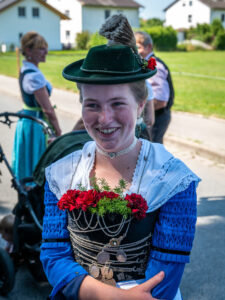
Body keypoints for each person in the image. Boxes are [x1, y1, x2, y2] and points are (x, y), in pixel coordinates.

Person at [40, 15, 200, 300]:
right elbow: (54, 255)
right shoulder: (60, 174)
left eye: (117, 103)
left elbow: (165, 275)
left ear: (140, 106)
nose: (104, 118)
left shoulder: (174, 179)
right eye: (92, 105)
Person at [12, 32, 62, 182]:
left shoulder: (27, 70)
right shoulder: (34, 76)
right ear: (28, 51)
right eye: (41, 49)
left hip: (27, 121)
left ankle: (27, 196)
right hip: (35, 125)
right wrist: (58, 133)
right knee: (36, 167)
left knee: (28, 164)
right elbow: (48, 110)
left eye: (45, 48)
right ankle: (33, 198)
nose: (45, 52)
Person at [135, 31, 175, 144]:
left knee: (152, 151)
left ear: (149, 47)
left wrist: (139, 112)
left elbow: (161, 100)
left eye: (138, 47)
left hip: (156, 117)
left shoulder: (153, 65)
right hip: (150, 117)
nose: (134, 51)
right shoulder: (143, 63)